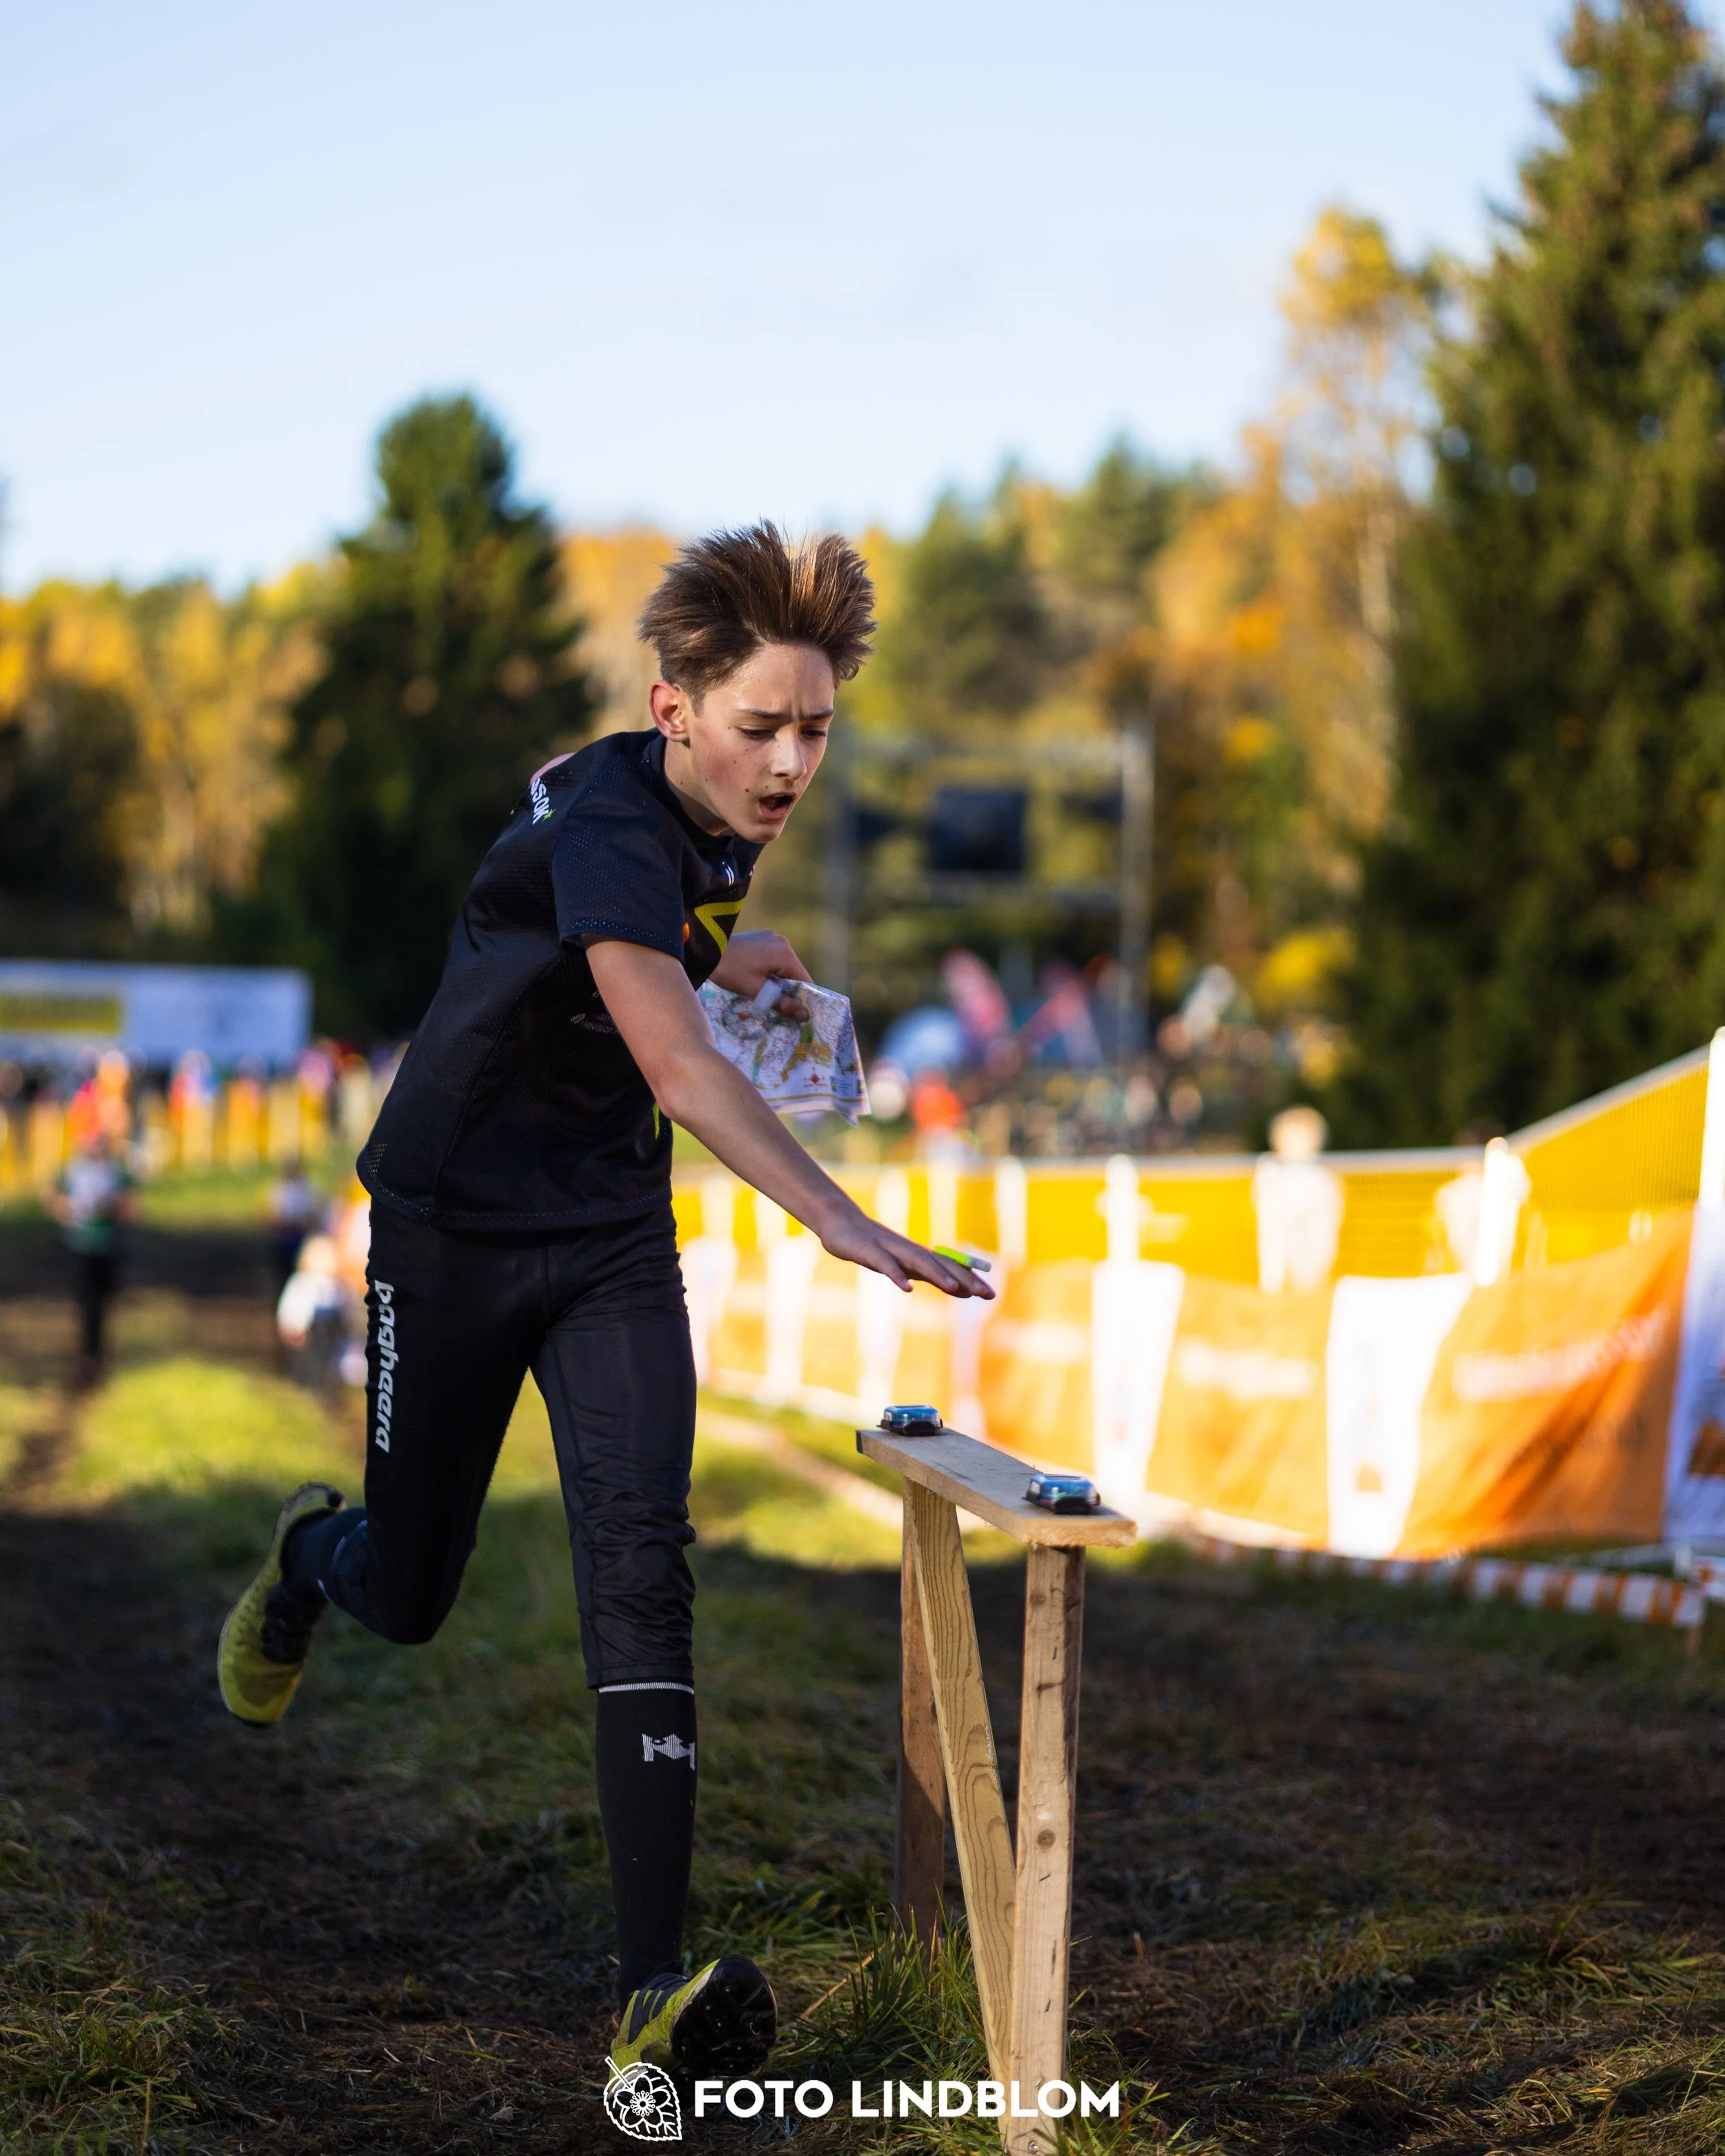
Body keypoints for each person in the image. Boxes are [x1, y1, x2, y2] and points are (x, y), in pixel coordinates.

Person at [214, 524, 992, 2085]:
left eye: (816, 729)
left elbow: (654, 952)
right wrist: (836, 1214)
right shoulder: (612, 826)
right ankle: (310, 1555)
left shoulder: (698, 820)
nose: (788, 765)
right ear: (672, 709)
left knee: (642, 1563)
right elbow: (674, 1060)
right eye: (760, 729)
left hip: (611, 1235)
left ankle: (652, 1995)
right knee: (412, 1586)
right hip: (447, 1233)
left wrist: (742, 949)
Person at [50, 1130, 137, 1384]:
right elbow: (53, 1199)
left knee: (103, 1303)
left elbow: (131, 1207)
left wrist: (113, 1208)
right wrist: (68, 1211)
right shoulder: (74, 1171)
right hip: (81, 1246)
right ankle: (88, 1356)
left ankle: (99, 1355)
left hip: (109, 1248)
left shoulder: (115, 1172)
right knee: (87, 1304)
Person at [264, 1157, 322, 1301]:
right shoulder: (278, 1189)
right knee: (282, 1273)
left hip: (299, 1237)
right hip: (283, 1238)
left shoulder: (307, 1189)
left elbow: (313, 1215)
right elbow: (269, 1215)